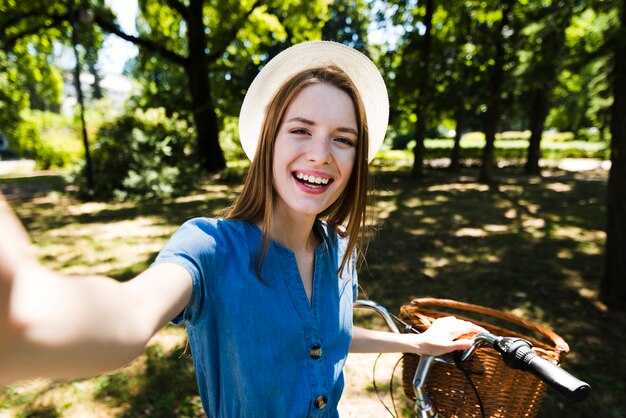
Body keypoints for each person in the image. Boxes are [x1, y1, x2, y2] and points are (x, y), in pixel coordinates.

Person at [0, 41, 486, 417]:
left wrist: (417, 343)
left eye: (343, 139)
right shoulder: (209, 247)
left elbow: (325, 335)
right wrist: (27, 315)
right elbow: (127, 319)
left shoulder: (337, 249)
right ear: (268, 141)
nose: (321, 152)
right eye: (301, 130)